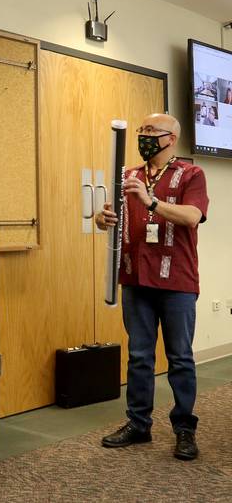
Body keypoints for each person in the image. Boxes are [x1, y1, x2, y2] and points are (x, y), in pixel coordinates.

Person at [96, 114, 208, 461]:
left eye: (150, 132)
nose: (143, 136)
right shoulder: (128, 175)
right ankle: (138, 424)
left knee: (180, 358)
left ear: (171, 138)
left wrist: (152, 202)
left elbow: (192, 216)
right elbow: (107, 217)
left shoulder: (191, 174)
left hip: (177, 281)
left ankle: (184, 429)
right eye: (141, 131)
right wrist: (103, 219)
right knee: (140, 356)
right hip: (135, 278)